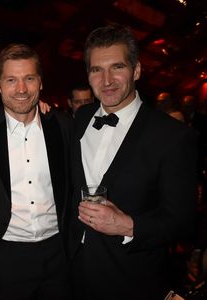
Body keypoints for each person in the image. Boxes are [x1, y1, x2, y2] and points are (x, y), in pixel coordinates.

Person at [68, 25, 198, 299]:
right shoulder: (79, 120)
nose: (107, 80)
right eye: (96, 70)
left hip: (132, 280)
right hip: (73, 274)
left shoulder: (173, 136)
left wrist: (128, 225)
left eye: (117, 67)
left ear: (136, 70)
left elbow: (183, 220)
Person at [0, 43, 73, 299]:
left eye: (29, 78)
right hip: (7, 254)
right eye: (11, 80)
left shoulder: (63, 126)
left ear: (40, 83)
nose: (21, 89)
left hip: (60, 250)